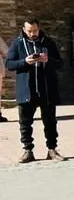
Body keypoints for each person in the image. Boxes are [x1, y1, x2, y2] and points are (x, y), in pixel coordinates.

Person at [6, 18, 65, 163]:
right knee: (25, 122)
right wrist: (25, 62)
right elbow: (9, 64)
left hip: (47, 88)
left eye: (35, 30)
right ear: (24, 29)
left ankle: (52, 149)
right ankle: (27, 150)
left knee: (50, 121)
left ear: (39, 28)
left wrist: (47, 60)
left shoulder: (48, 42)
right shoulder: (18, 43)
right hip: (26, 89)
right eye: (29, 31)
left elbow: (60, 64)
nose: (33, 34)